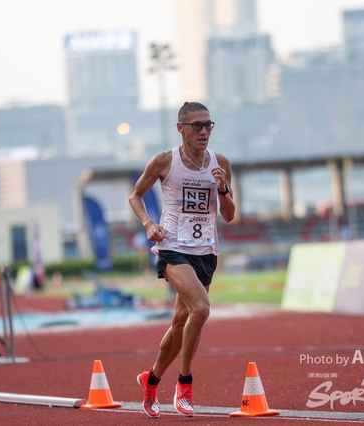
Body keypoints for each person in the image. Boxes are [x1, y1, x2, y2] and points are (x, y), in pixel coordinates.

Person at [129, 101, 235, 418]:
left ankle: (150, 380)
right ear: (181, 128)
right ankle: (184, 384)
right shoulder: (165, 161)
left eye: (208, 125)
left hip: (206, 251)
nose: (204, 131)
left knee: (179, 324)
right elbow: (135, 195)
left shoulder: (220, 163)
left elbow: (229, 216)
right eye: (197, 125)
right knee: (201, 308)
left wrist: (223, 189)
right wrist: (148, 224)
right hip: (173, 247)